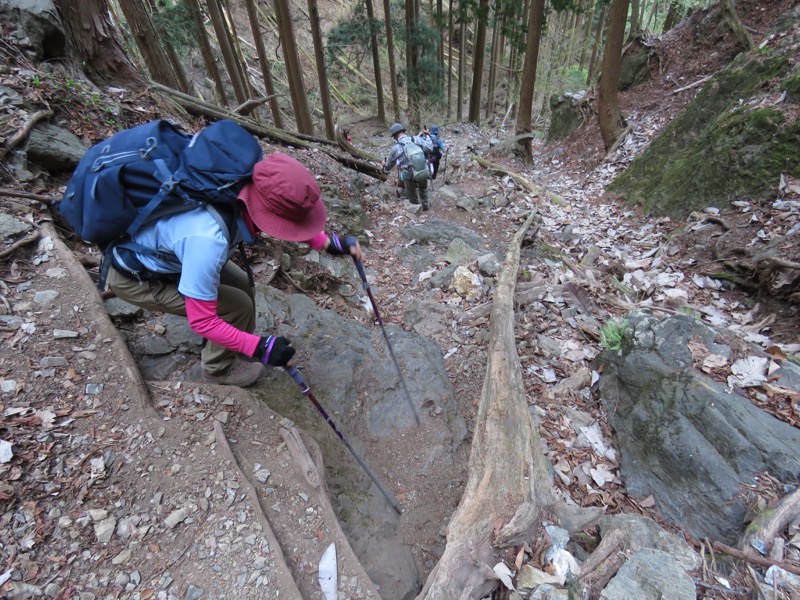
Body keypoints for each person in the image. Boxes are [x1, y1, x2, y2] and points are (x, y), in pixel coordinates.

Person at [106, 153, 365, 388]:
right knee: (238, 306)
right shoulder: (208, 241)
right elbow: (202, 320)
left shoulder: (241, 181)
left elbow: (282, 215)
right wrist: (258, 348)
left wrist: (328, 244)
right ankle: (218, 368)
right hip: (138, 279)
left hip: (170, 256)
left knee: (242, 283)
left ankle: (231, 343)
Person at [382, 122, 433, 211]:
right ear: (403, 131)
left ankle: (416, 209)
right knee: (423, 189)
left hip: (409, 174)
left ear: (394, 136)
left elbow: (389, 164)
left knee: (412, 195)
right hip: (422, 169)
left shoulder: (396, 148)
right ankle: (426, 207)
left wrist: (384, 167)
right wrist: (428, 135)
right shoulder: (416, 139)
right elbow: (429, 147)